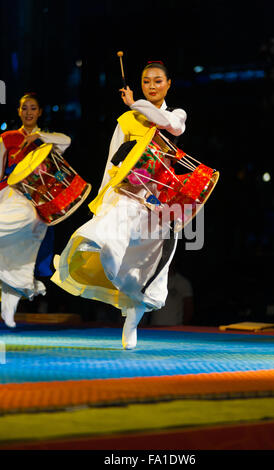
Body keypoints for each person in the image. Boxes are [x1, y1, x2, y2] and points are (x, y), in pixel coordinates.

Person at [51, 61, 187, 349]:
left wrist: (135, 103)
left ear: (168, 84)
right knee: (104, 242)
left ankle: (132, 318)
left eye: (158, 81)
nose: (152, 86)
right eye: (146, 81)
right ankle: (74, 259)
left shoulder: (176, 115)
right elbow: (111, 163)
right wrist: (103, 198)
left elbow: (171, 127)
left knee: (146, 267)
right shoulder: (126, 121)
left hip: (158, 203)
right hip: (127, 196)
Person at [0, 92, 71, 327]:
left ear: (39, 112)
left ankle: (17, 297)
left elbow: (67, 141)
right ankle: (17, 293)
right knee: (10, 255)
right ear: (19, 112)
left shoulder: (48, 139)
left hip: (36, 201)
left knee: (21, 257)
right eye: (24, 108)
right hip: (10, 195)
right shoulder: (7, 138)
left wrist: (40, 136)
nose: (28, 112)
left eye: (33, 108)